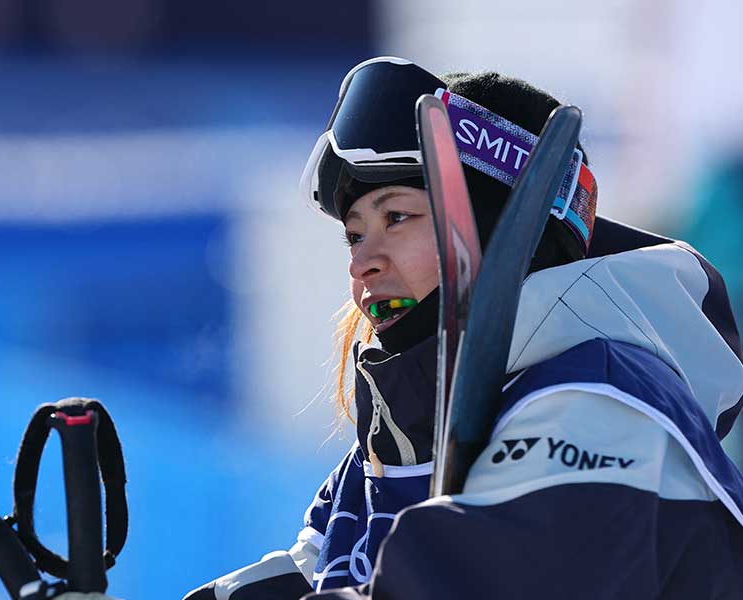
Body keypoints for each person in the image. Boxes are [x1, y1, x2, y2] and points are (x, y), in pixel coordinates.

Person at [184, 57, 743, 600]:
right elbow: (320, 570)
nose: (362, 263)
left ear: (501, 228)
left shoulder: (602, 403)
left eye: (396, 217)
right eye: (354, 235)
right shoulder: (390, 448)